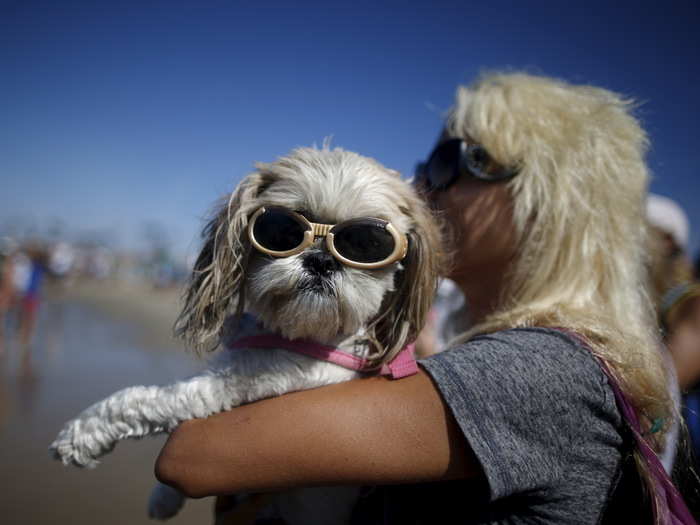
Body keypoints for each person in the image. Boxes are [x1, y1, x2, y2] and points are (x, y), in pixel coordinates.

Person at [155, 73, 692, 523]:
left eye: (449, 160)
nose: (419, 181)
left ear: (548, 202)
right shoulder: (517, 354)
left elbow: (196, 456)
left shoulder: (544, 369)